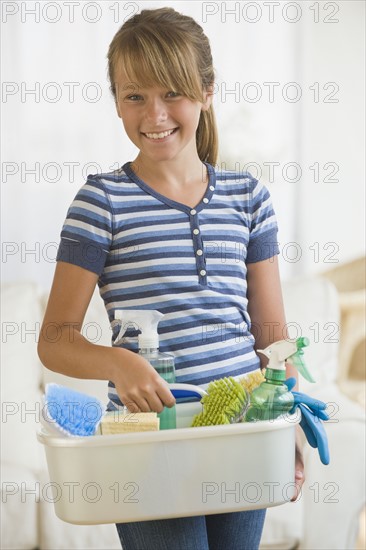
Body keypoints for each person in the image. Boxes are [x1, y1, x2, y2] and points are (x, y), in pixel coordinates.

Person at [38, 7, 305, 550]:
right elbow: (55, 340)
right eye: (134, 95)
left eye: (172, 93)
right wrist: (118, 362)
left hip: (242, 436)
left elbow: (273, 336)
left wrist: (286, 425)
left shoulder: (248, 198)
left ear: (207, 91)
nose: (153, 114)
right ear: (115, 99)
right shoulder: (101, 202)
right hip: (147, 444)